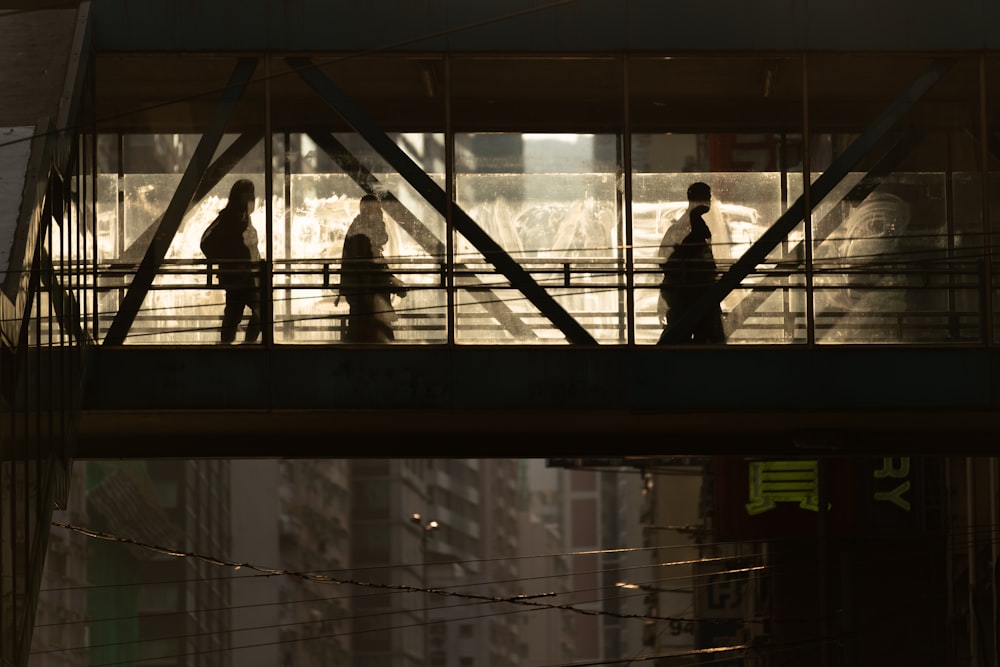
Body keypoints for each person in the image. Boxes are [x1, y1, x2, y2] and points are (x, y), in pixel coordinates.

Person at [657, 181, 726, 344]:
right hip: (692, 294)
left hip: (687, 294)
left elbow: (665, 259)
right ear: (699, 199)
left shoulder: (683, 227)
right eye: (707, 197)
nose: (709, 201)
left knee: (679, 337)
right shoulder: (689, 228)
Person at [338, 194, 407, 343]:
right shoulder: (362, 234)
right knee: (375, 334)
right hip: (368, 297)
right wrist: (391, 281)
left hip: (363, 295)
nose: (379, 214)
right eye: (376, 210)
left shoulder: (359, 230)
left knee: (361, 334)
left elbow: (372, 263)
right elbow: (370, 266)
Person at [200, 179, 262, 344]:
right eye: (249, 194)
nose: (252, 199)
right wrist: (229, 262)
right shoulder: (228, 218)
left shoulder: (243, 218)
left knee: (240, 313)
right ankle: (240, 345)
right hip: (239, 276)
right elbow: (206, 243)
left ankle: (233, 346)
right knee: (245, 312)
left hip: (244, 276)